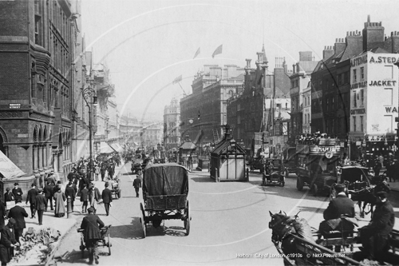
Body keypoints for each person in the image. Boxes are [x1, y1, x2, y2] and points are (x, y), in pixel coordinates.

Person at [359, 191, 395, 261]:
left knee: (371, 238)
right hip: (378, 227)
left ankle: (372, 256)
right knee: (363, 231)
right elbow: (375, 219)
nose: (375, 199)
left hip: (383, 230)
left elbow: (382, 223)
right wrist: (370, 224)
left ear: (379, 198)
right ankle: (368, 253)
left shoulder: (386, 207)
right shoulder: (380, 205)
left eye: (376, 198)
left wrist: (371, 226)